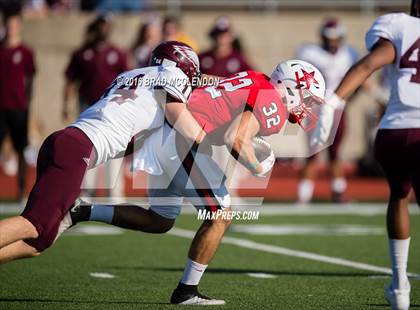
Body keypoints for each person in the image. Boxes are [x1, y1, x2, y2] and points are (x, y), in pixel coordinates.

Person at [68, 60, 327, 305]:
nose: (307, 107)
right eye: (307, 99)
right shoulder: (272, 101)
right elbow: (234, 138)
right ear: (291, 87)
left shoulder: (255, 78)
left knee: (160, 220)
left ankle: (84, 210)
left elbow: (206, 82)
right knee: (220, 215)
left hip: (166, 135)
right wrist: (258, 167)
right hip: (180, 141)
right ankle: (186, 291)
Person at [0, 41, 206, 266]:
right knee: (34, 223)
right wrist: (212, 142)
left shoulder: (132, 75)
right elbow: (186, 126)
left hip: (64, 142)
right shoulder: (172, 76)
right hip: (76, 149)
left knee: (42, 239)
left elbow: (129, 131)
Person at [311, 1, 420, 309]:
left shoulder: (400, 26)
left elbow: (366, 65)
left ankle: (400, 287)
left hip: (394, 131)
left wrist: (332, 104)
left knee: (398, 197)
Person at [62, 15, 129, 197]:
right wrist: (66, 104)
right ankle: (86, 190)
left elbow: (128, 81)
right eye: (100, 26)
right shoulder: (82, 53)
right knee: (87, 146)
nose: (103, 30)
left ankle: (115, 191)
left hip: (112, 108)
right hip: (88, 106)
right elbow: (70, 80)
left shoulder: (118, 53)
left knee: (115, 145)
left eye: (106, 27)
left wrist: (125, 105)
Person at [296, 18, 359, 203]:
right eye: (328, 37)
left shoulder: (349, 54)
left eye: (335, 38)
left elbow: (359, 80)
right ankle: (303, 196)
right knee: (313, 153)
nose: (332, 41)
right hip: (316, 108)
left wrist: (346, 98)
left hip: (338, 108)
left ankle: (338, 193)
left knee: (335, 152)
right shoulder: (310, 52)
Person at [0, 8, 36, 201]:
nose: (11, 28)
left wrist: (27, 103)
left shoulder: (25, 52)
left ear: (19, 26)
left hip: (18, 107)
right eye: (8, 24)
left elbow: (30, 80)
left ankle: (22, 189)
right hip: (0, 107)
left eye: (14, 24)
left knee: (20, 148)